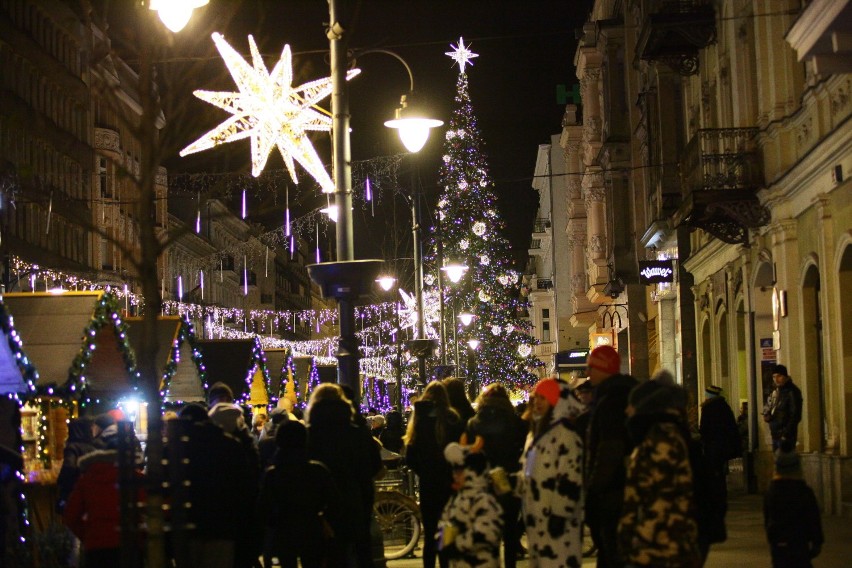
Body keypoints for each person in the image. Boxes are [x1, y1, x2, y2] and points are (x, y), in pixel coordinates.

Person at [618, 379, 700, 567]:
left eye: (630, 405)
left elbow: (663, 496)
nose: (626, 410)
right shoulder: (652, 437)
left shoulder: (662, 439)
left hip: (661, 547)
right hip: (657, 544)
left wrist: (640, 536)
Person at [306, 383, 382, 568]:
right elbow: (373, 465)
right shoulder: (357, 433)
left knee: (326, 553)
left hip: (319, 504)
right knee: (359, 547)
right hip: (353, 497)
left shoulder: (309, 434)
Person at [174, 402, 252, 568]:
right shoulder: (231, 445)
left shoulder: (178, 448)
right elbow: (244, 487)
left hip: (187, 525)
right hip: (222, 525)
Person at [517, 378, 585, 567]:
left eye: (544, 398)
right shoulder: (535, 434)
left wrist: (560, 514)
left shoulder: (566, 435)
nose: (537, 402)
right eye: (536, 397)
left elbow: (570, 476)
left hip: (557, 523)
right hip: (537, 520)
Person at [583, 345, 638, 568]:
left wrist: (594, 488)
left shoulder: (611, 400)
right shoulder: (621, 394)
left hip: (613, 492)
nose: (588, 374)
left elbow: (610, 449)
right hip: (621, 489)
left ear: (604, 368)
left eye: (591, 368)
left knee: (612, 553)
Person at [259, 420, 341, 568]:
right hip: (311, 527)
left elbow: (263, 507)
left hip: (283, 528)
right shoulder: (317, 470)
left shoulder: (273, 474)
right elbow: (334, 501)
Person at [63, 423, 145, 568]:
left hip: (96, 547)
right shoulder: (135, 477)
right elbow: (152, 509)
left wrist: (89, 534)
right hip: (129, 544)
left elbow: (70, 516)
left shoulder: (87, 479)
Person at [404, 381, 465, 568]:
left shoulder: (419, 419)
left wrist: (424, 472)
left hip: (428, 483)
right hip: (448, 482)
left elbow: (411, 456)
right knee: (447, 529)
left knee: (430, 534)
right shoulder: (452, 419)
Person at [466, 383, 527, 568]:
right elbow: (524, 449)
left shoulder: (474, 423)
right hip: (509, 478)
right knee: (509, 529)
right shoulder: (516, 422)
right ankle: (510, 563)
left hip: (484, 481)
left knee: (487, 531)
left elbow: (469, 454)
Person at [437, 439, 503, 568]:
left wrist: (457, 545)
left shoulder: (484, 499)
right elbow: (445, 521)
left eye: (459, 471)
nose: (455, 475)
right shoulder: (457, 498)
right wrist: (442, 541)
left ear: (471, 472)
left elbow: (487, 533)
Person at [764, 450, 822, 568]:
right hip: (799, 541)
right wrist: (817, 541)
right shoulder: (804, 491)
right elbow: (813, 518)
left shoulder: (772, 492)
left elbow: (767, 518)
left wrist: (771, 537)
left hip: (779, 542)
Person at [56, 417, 96, 513]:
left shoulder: (72, 447)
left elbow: (69, 466)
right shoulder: (93, 447)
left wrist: (61, 481)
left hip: (74, 492)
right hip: (90, 492)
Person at [762, 364, 803, 451]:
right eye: (774, 377)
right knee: (778, 461)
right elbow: (775, 409)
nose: (776, 379)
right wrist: (769, 416)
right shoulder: (777, 392)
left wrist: (786, 434)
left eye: (779, 376)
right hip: (775, 434)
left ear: (785, 376)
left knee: (785, 461)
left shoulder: (792, 392)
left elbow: (795, 415)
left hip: (785, 436)